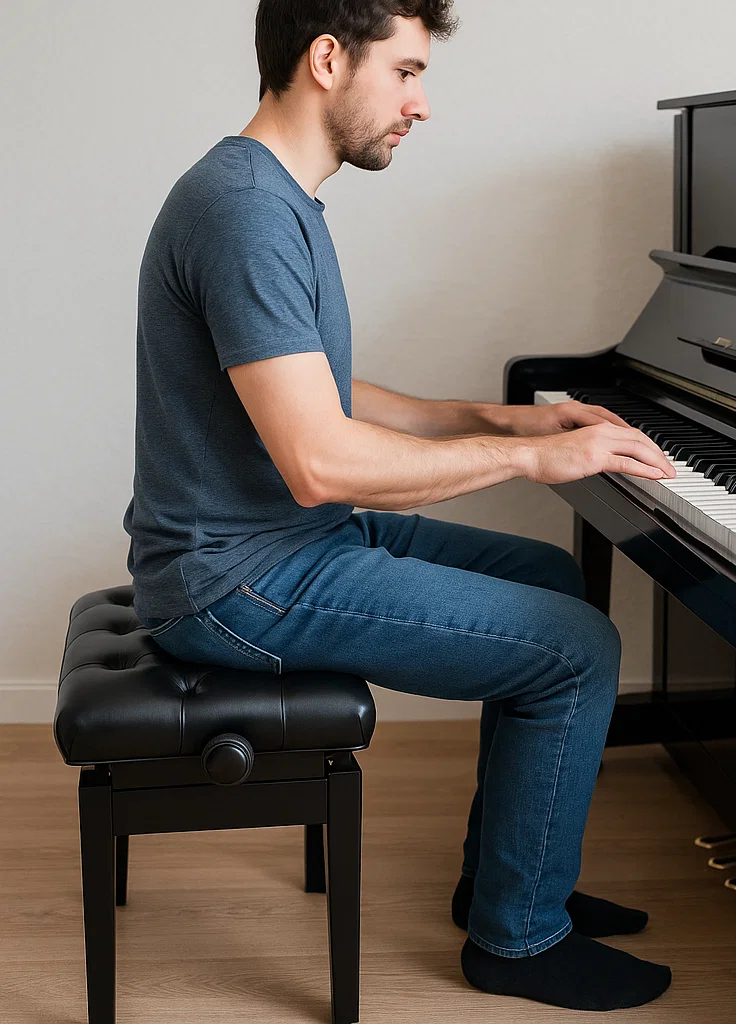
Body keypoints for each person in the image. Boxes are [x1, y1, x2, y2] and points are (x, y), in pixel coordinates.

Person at [123, 0, 676, 1011]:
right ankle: (515, 941)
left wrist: (511, 424)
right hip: (235, 579)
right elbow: (320, 462)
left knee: (552, 581)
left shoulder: (269, 194)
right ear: (327, 58)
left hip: (278, 543)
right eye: (409, 71)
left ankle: (504, 878)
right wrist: (532, 468)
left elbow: (324, 393)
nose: (421, 105)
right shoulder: (243, 209)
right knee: (578, 647)